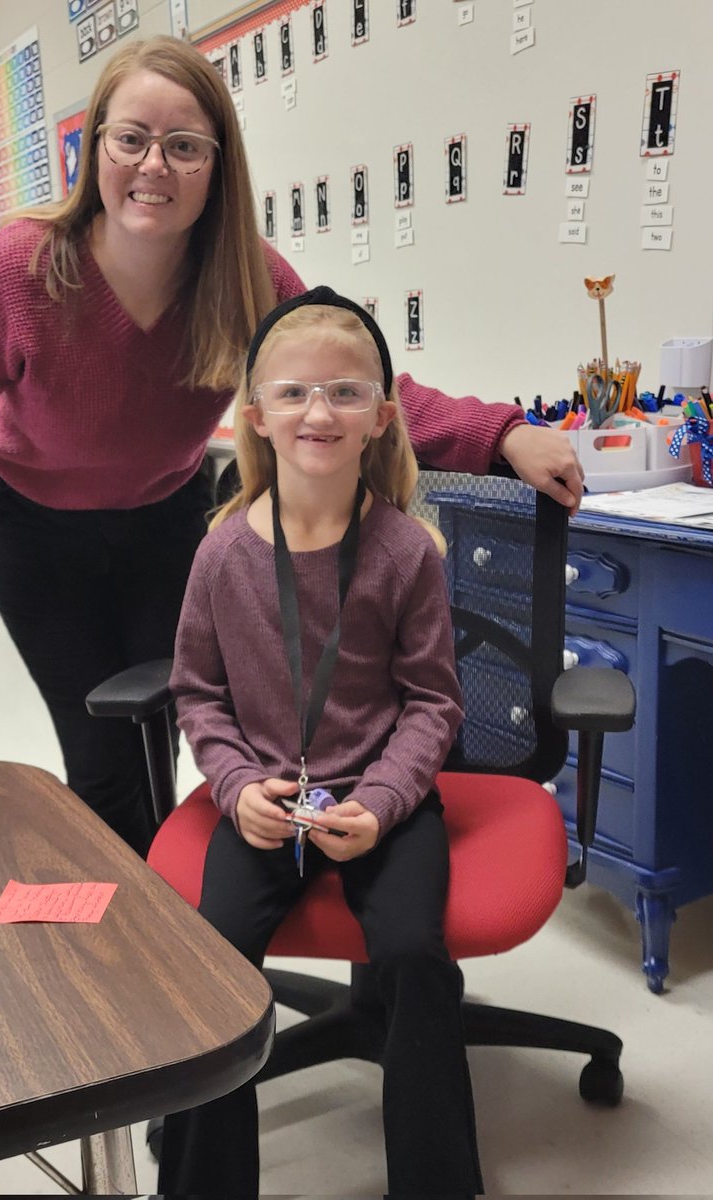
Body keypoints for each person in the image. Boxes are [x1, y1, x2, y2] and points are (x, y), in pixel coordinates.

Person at [0, 34, 581, 858]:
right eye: (131, 139)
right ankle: (135, 924)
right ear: (95, 151)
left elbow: (352, 383)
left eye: (185, 146)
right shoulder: (17, 271)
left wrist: (502, 432)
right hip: (31, 528)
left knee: (174, 729)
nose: (153, 165)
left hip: (166, 520)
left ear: (217, 164)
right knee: (102, 754)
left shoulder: (244, 277)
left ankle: (175, 903)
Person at [161, 286, 481, 1197]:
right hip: (264, 803)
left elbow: (432, 703)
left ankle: (437, 1183)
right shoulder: (222, 553)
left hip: (383, 803)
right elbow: (198, 692)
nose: (319, 412)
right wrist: (234, 788)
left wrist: (380, 804)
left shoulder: (406, 551)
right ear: (256, 416)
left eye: (345, 392)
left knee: (414, 955)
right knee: (213, 958)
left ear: (382, 416)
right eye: (294, 392)